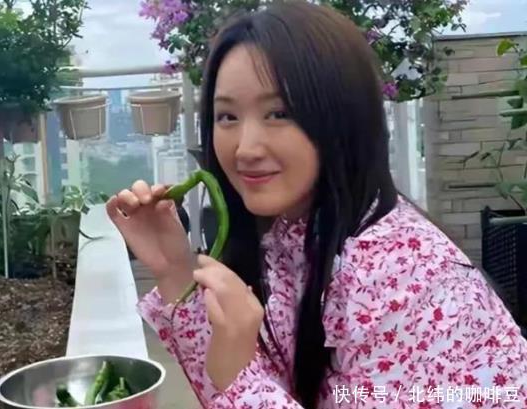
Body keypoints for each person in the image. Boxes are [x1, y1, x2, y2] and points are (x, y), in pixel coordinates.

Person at [106, 1, 527, 407]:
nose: (245, 148)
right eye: (227, 117)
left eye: (279, 113)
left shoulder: (401, 275)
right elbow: (248, 388)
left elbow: (241, 385)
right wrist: (174, 269)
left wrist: (238, 374)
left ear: (342, 118)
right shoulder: (295, 236)